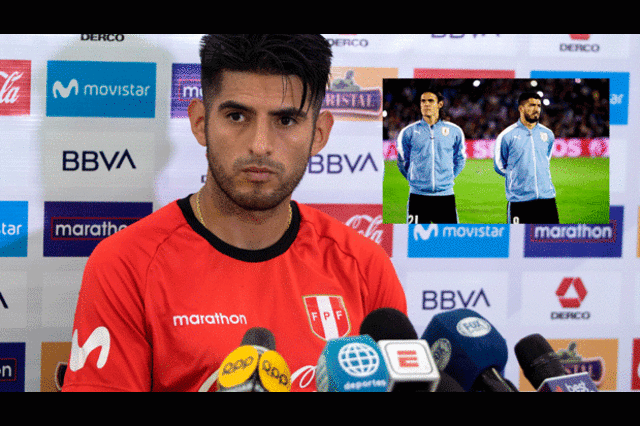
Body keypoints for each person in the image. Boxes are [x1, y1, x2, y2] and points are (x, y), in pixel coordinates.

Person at [61, 34, 407, 392]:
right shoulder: (125, 265)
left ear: (319, 134)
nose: (260, 145)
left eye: (285, 121)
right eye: (237, 115)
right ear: (199, 122)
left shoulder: (366, 267)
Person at [396, 87, 466, 224]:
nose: (426, 104)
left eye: (430, 101)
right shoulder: (408, 132)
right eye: (423, 101)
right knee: (417, 242)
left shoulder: (454, 131)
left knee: (449, 241)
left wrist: (447, 178)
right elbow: (402, 161)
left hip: (445, 196)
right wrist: (414, 179)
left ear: (440, 104)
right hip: (418, 197)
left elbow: (460, 159)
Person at [493, 91, 559, 224]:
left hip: (547, 200)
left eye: (539, 106)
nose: (536, 109)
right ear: (521, 108)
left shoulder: (548, 134)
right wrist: (518, 176)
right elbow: (499, 166)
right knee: (518, 242)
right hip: (520, 201)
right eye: (532, 105)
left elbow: (545, 160)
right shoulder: (507, 135)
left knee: (552, 243)